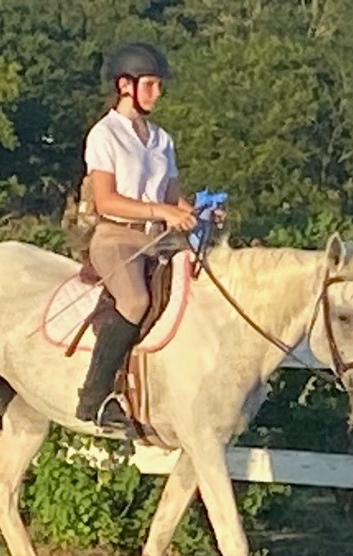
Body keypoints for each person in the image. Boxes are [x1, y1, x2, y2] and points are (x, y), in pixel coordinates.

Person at [75, 41, 198, 431]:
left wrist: (197, 211)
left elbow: (174, 197)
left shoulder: (163, 140)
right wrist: (160, 212)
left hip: (157, 240)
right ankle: (94, 397)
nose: (158, 93)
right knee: (135, 299)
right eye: (151, 85)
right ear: (125, 86)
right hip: (116, 236)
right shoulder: (104, 135)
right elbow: (107, 199)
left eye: (159, 85)